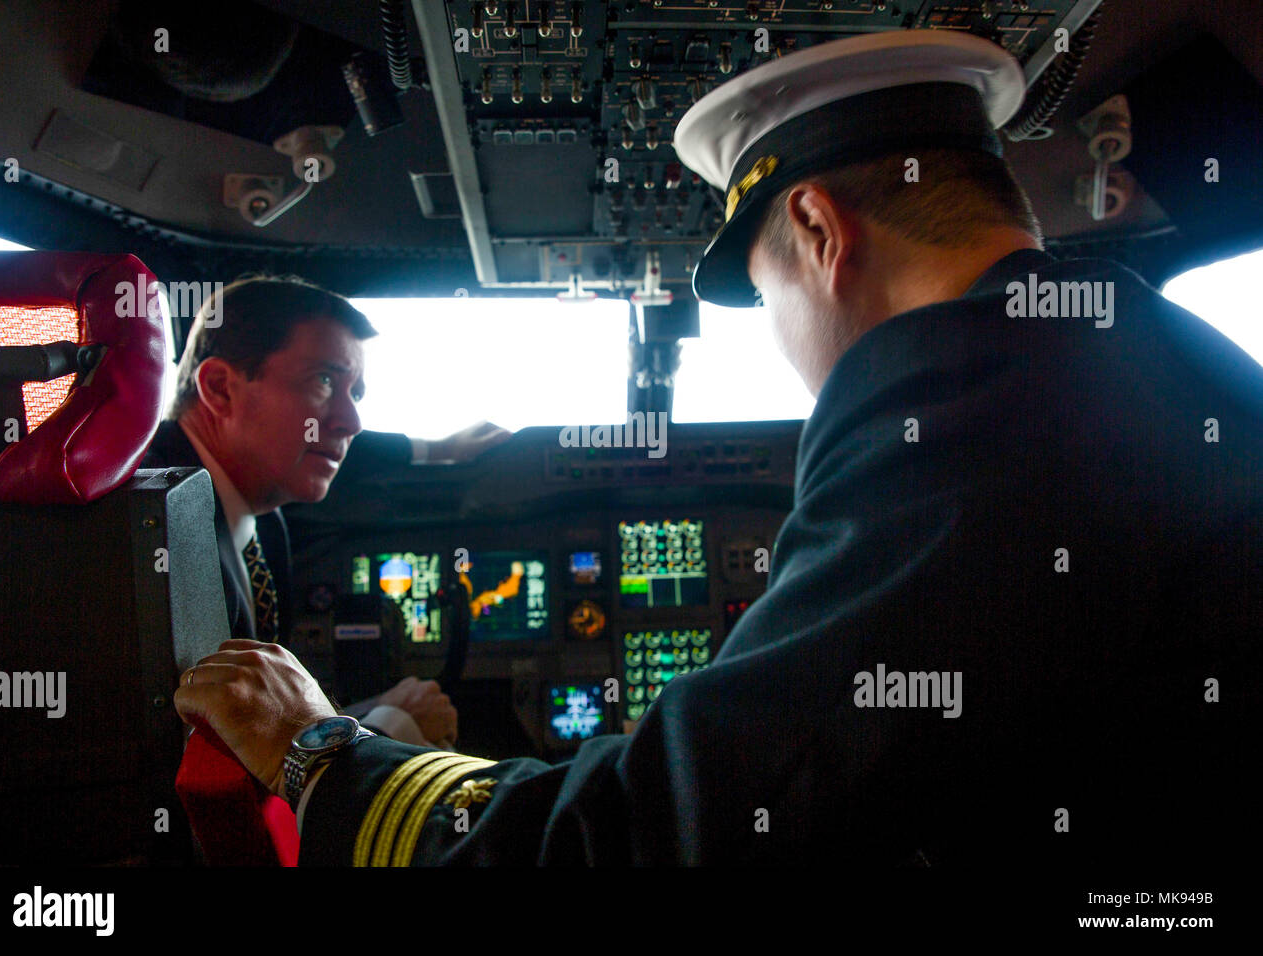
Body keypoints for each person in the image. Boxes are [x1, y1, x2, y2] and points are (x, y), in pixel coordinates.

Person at [174, 32, 1261, 865]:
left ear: (821, 232)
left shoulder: (966, 395)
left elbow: (664, 837)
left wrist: (325, 753)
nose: (788, 346)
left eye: (766, 293)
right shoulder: (1136, 352)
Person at [148, 275, 506, 747]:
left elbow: (260, 718)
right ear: (220, 388)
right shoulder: (160, 535)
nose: (352, 421)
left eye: (354, 393)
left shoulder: (264, 525)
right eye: (323, 381)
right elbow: (211, 763)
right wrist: (389, 727)